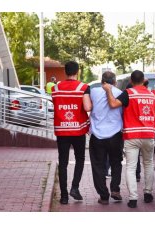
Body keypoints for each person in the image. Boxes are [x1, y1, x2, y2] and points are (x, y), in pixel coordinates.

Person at [103, 70, 155, 208]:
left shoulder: (129, 93)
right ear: (144, 80)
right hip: (149, 134)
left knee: (131, 167)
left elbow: (113, 104)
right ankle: (148, 193)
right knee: (148, 164)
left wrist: (108, 90)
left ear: (131, 81)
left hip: (132, 135)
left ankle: (133, 199)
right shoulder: (152, 95)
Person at [51, 61, 92, 204]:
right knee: (80, 159)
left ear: (65, 72)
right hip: (78, 130)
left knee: (63, 163)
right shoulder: (84, 88)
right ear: (77, 71)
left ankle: (63, 197)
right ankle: (74, 187)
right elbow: (87, 108)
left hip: (62, 131)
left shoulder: (55, 88)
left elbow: (55, 104)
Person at [89, 71, 124, 205]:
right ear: (114, 81)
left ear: (102, 81)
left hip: (97, 135)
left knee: (98, 165)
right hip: (115, 134)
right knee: (116, 162)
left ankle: (103, 196)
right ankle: (115, 189)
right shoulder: (120, 92)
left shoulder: (93, 92)